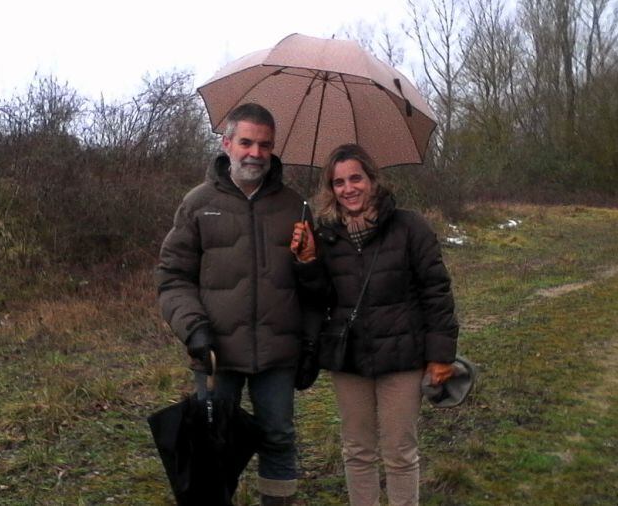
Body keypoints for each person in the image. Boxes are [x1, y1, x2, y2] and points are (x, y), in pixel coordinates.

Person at [156, 102, 314, 506]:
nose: (255, 153)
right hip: (215, 354)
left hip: (278, 352)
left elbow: (316, 286)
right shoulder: (197, 203)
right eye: (246, 142)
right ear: (227, 143)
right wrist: (194, 328)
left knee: (278, 437)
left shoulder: (296, 207)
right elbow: (173, 277)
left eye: (265, 145)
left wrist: (309, 263)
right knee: (211, 444)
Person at [290, 143, 459, 506]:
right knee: (357, 450)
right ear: (330, 189)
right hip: (349, 358)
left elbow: (436, 291)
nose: (348, 188)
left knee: (399, 452)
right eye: (338, 182)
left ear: (372, 180)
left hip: (402, 356)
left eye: (356, 178)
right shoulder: (327, 234)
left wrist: (441, 354)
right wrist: (307, 261)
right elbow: (319, 298)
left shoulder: (409, 226)